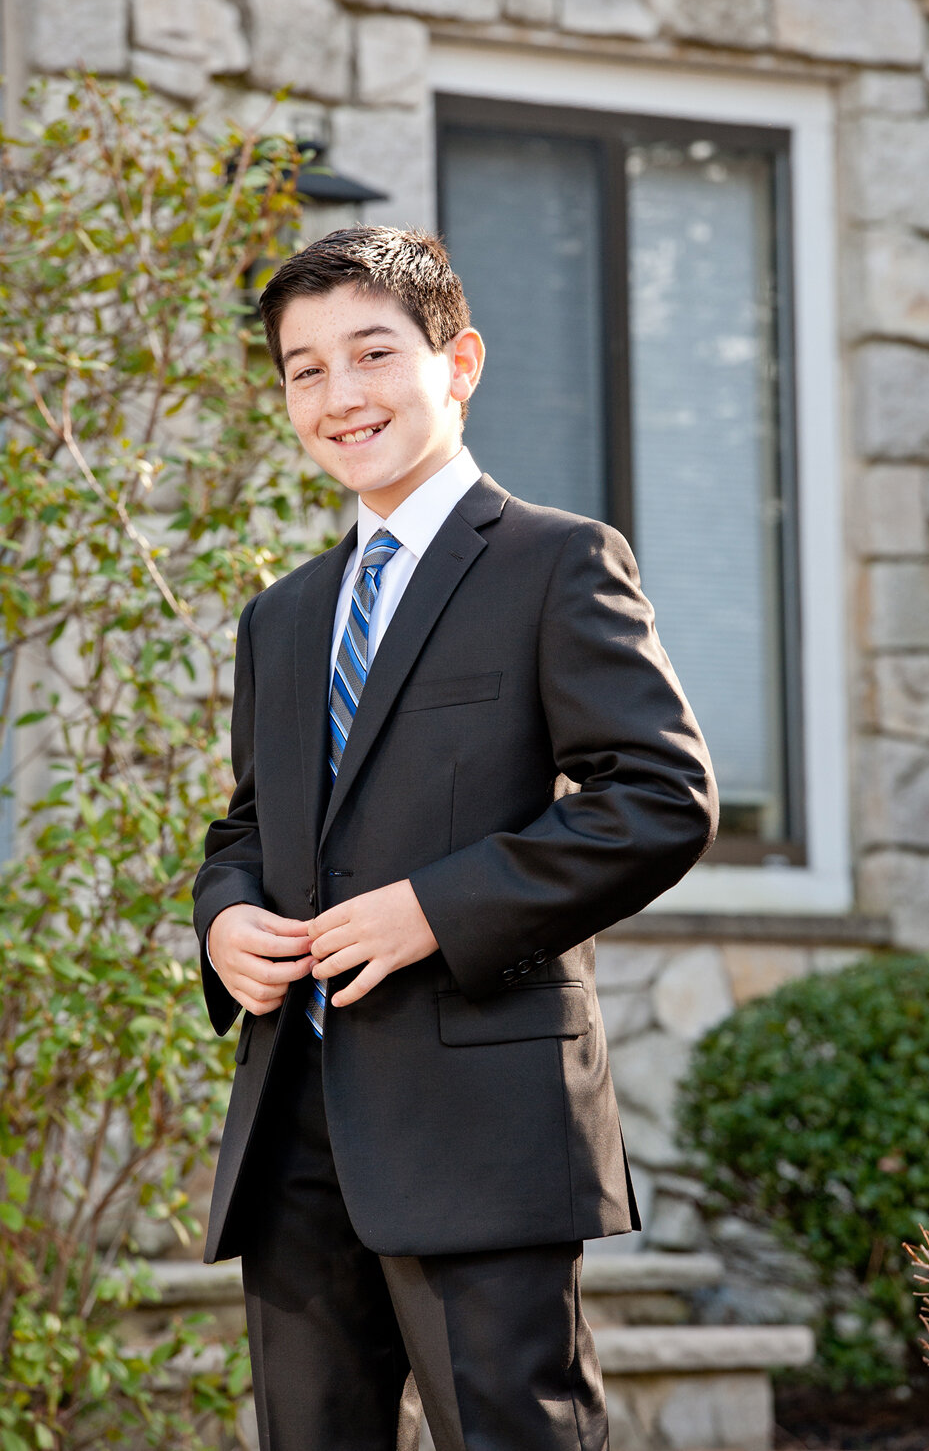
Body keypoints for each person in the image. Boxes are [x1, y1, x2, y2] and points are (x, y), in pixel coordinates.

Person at [192, 226, 717, 1450]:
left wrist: (434, 905)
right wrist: (223, 919)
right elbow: (250, 825)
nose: (339, 395)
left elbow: (658, 792)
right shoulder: (282, 616)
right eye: (304, 370)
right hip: (293, 1124)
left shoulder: (554, 562)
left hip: (482, 1115)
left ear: (458, 361)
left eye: (372, 353)